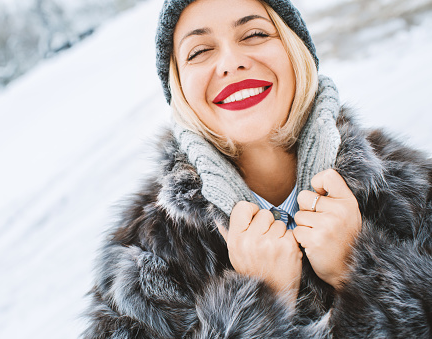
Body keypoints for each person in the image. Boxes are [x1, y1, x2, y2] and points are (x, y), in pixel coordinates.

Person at [82, 0, 432, 337]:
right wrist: (254, 308)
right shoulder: (140, 263)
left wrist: (366, 268)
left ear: (296, 52)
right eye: (199, 51)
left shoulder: (412, 185)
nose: (231, 63)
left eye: (254, 35)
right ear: (179, 90)